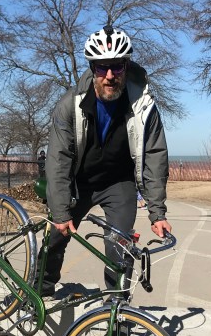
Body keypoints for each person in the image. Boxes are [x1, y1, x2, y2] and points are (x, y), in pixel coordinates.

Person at [43, 25, 172, 298]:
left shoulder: (144, 106)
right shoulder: (70, 105)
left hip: (119, 183)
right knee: (56, 236)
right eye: (102, 68)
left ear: (127, 66)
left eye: (117, 67)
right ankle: (39, 293)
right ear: (92, 69)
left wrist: (157, 212)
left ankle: (117, 310)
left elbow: (155, 156)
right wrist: (61, 212)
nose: (110, 76)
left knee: (119, 246)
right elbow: (59, 159)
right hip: (80, 181)